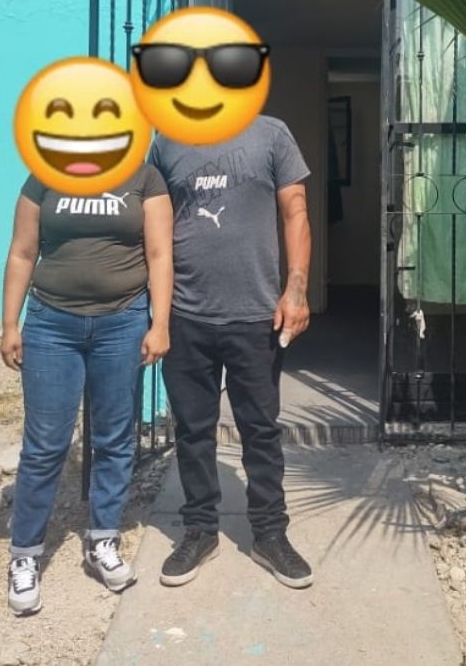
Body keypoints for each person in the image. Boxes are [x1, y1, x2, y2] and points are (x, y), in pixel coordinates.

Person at [0, 166, 172, 615]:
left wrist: (160, 324)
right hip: (52, 323)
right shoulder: (44, 176)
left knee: (114, 437)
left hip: (122, 321)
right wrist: (9, 324)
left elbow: (158, 253)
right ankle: (25, 555)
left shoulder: (145, 178)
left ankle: (102, 540)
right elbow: (22, 252)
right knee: (45, 444)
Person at [150, 114, 315, 589]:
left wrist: (296, 289)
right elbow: (154, 223)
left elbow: (296, 210)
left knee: (260, 430)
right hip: (186, 314)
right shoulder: (167, 142)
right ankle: (200, 530)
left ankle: (269, 534)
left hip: (256, 316)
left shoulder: (272, 133)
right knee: (192, 429)